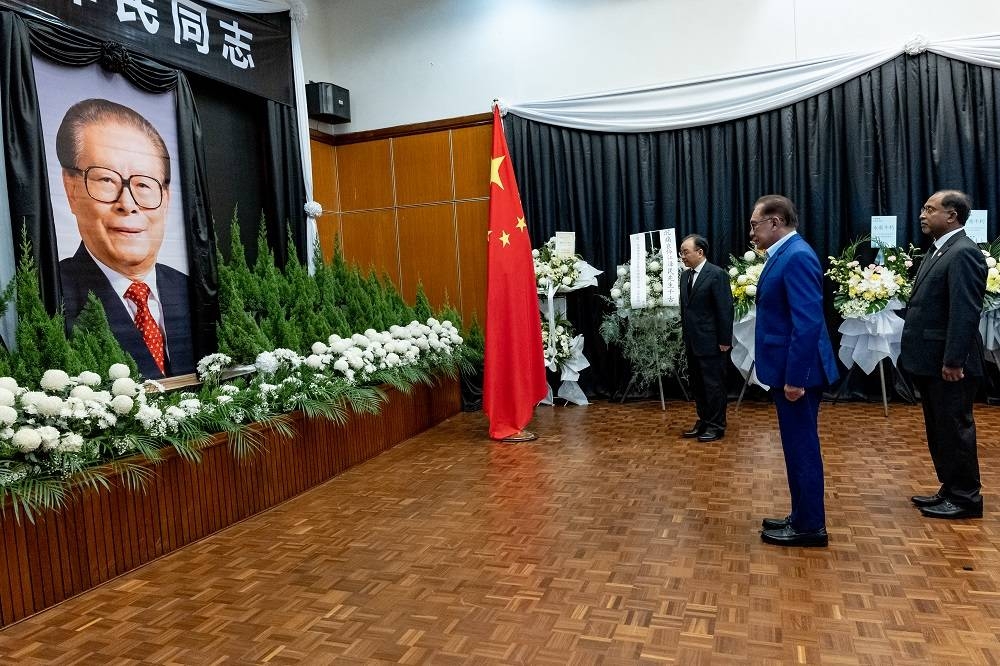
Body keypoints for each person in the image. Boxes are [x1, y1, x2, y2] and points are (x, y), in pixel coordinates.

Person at [56, 98, 193, 378]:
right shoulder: (50, 297)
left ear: (166, 199)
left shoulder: (193, 293)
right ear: (71, 190)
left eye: (144, 184)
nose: (127, 203)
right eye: (106, 180)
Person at [750, 195, 838, 547]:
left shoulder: (797, 255)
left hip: (798, 373)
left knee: (802, 448)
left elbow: (807, 324)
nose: (752, 233)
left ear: (776, 222)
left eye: (755, 225)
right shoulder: (785, 253)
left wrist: (794, 378)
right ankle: (801, 515)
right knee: (795, 446)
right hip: (789, 367)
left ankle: (810, 527)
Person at [899, 190, 987, 519]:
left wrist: (953, 360)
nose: (922, 214)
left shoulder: (963, 252)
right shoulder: (940, 250)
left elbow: (964, 312)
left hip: (950, 364)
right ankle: (950, 488)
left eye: (930, 209)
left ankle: (966, 498)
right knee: (940, 429)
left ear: (951, 216)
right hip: (932, 361)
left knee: (954, 429)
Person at [679, 234, 733, 442]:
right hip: (692, 342)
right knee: (698, 385)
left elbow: (725, 310)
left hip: (712, 342)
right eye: (682, 252)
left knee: (714, 385)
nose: (682, 256)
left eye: (686, 252)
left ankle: (716, 425)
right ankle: (703, 420)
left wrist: (724, 340)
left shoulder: (717, 275)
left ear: (700, 252)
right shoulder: (685, 276)